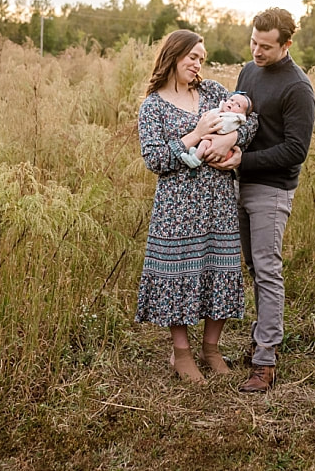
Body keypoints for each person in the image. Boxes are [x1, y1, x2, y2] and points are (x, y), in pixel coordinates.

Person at [135, 30, 258, 383]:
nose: (197, 63)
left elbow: (251, 123)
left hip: (218, 201)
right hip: (177, 209)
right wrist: (195, 133)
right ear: (174, 55)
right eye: (192, 57)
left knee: (218, 272)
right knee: (179, 278)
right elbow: (155, 159)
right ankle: (182, 353)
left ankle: (211, 348)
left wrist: (231, 142)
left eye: (202, 58)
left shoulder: (215, 92)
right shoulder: (153, 106)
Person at [222, 7, 315, 393]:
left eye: (266, 46)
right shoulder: (248, 70)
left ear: (287, 44)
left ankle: (265, 359)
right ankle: (261, 339)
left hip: (272, 188)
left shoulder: (297, 88)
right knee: (252, 267)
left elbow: (296, 149)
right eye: (253, 43)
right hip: (239, 182)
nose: (257, 52)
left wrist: (246, 160)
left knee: (267, 270)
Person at [178, 92, 253, 168]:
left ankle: (194, 160)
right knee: (204, 142)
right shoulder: (221, 111)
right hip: (214, 143)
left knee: (205, 143)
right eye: (231, 100)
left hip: (225, 151)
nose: (233, 103)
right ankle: (197, 153)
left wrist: (232, 137)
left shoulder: (233, 118)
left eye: (238, 105)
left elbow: (222, 129)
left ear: (242, 114)